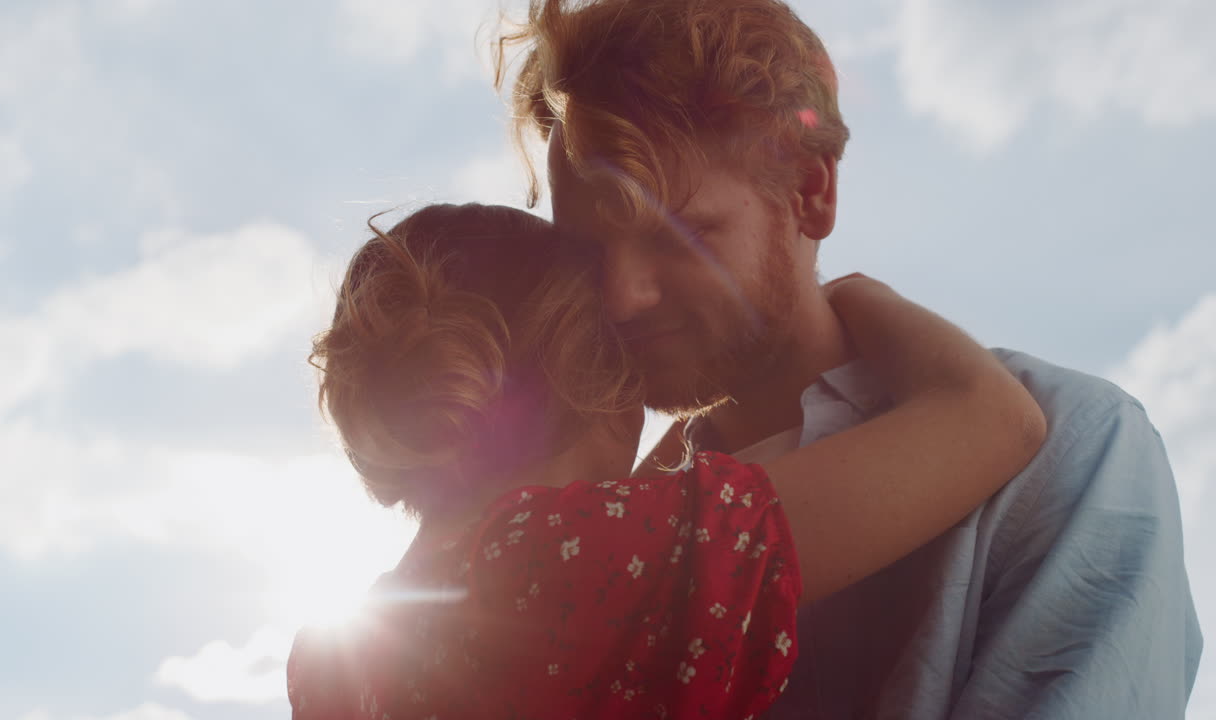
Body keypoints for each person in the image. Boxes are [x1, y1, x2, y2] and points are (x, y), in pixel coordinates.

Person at [500, 0, 1202, 717]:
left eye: (676, 231)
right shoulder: (604, 538)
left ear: (810, 192)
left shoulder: (1074, 444)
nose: (621, 298)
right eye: (586, 252)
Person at [286, 202, 1045, 719]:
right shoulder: (570, 560)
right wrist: (851, 295)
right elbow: (994, 418)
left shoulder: (331, 660)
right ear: (601, 374)